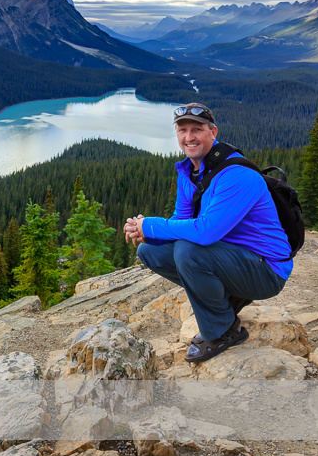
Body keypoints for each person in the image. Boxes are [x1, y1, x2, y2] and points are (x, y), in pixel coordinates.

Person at [123, 103, 291, 362]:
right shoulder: (188, 172)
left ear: (213, 133)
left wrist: (151, 224)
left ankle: (223, 332)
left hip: (266, 270)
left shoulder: (237, 175)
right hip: (234, 259)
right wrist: (149, 234)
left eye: (197, 130)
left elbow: (205, 232)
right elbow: (182, 222)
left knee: (189, 252)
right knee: (150, 251)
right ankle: (224, 299)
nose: (189, 137)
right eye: (182, 130)